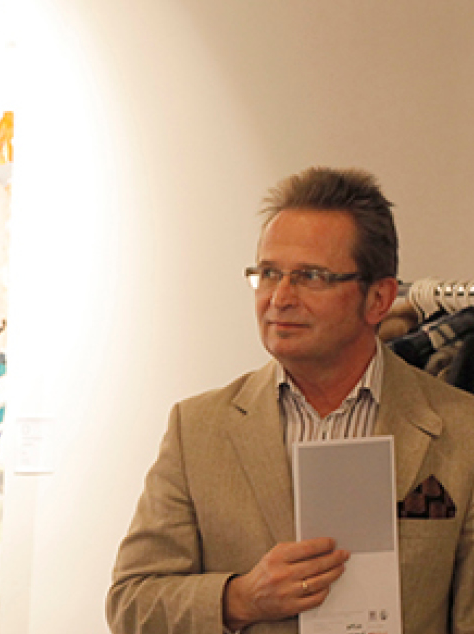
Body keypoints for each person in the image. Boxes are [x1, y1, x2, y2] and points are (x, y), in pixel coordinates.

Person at [108, 167, 474, 633]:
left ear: (379, 299)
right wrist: (239, 598)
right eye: (268, 273)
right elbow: (131, 603)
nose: (279, 298)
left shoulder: (461, 430)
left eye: (310, 277)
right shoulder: (197, 429)